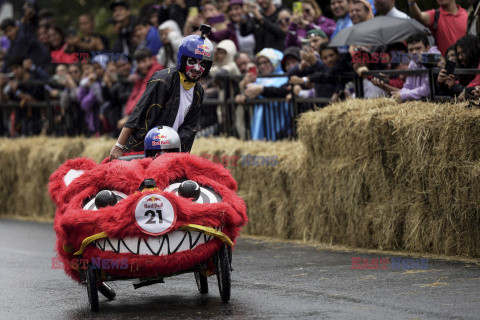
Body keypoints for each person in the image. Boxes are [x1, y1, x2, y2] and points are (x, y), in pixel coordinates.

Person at [109, 26, 214, 160]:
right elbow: (138, 113)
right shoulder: (163, 79)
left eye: (203, 64)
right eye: (192, 62)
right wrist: (119, 145)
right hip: (142, 150)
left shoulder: (198, 91)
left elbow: (190, 129)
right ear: (182, 60)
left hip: (171, 155)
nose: (197, 68)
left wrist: (177, 155)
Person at [118, 48, 164, 128]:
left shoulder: (156, 70)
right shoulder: (140, 72)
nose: (141, 65)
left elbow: (144, 94)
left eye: (144, 61)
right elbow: (135, 93)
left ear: (151, 59)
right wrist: (127, 114)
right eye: (139, 62)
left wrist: (129, 117)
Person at [391, 33, 441, 102]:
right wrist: (400, 93)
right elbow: (408, 85)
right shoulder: (412, 63)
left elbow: (426, 91)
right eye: (411, 50)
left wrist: (404, 95)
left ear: (427, 48)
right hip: (418, 105)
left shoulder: (432, 58)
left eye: (418, 48)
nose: (414, 52)